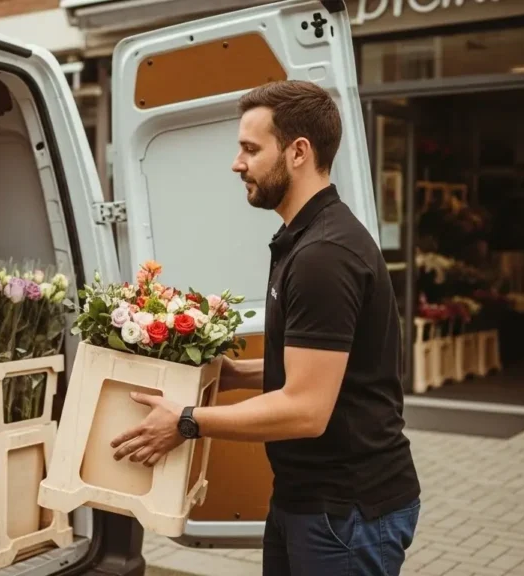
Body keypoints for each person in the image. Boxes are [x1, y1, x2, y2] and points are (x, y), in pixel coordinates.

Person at [110, 80, 421, 575]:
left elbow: (305, 409)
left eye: (251, 149)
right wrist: (234, 374)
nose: (238, 163)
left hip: (347, 511)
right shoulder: (304, 239)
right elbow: (314, 370)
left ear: (298, 152)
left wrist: (187, 421)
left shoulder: (325, 256)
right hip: (309, 500)